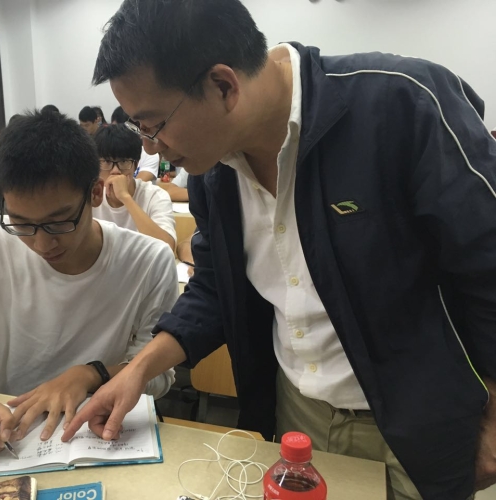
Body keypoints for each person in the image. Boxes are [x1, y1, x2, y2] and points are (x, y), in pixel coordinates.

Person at [62, 1, 496, 499]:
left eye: (153, 124)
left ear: (223, 86)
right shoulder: (214, 168)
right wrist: (138, 370)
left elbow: (488, 266)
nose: (151, 147)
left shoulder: (400, 103)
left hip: (419, 420)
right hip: (295, 415)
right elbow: (215, 288)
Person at [0, 110, 177, 456]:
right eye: (21, 223)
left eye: (59, 222)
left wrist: (91, 375)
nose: (41, 243)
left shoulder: (149, 260)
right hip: (9, 427)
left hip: (99, 430)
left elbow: (158, 374)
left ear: (95, 193)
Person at [92, 125, 176, 251]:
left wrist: (125, 198)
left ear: (135, 165)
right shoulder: (90, 196)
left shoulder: (155, 196)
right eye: (107, 162)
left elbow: (166, 248)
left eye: (123, 162)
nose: (115, 171)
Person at [111, 105, 160, 183]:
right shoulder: (107, 155)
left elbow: (136, 185)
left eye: (122, 130)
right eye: (113, 129)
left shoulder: (149, 155)